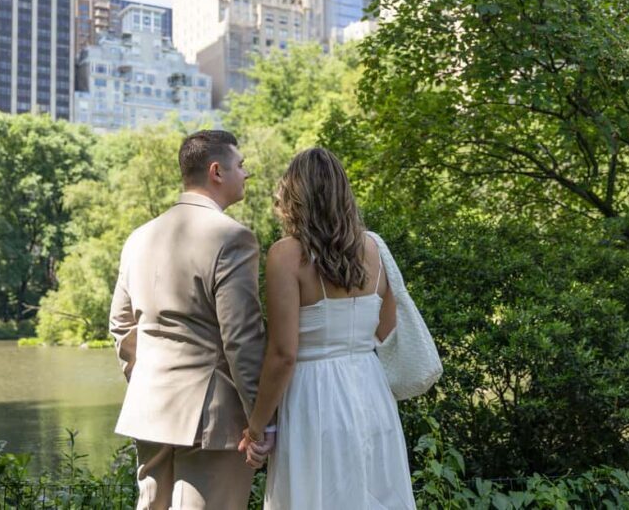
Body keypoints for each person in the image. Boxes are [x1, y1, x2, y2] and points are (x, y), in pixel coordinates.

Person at [239, 147, 417, 509]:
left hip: (313, 395)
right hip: (369, 389)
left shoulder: (286, 255)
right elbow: (387, 329)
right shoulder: (375, 249)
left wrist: (256, 426)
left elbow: (283, 354)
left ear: (294, 196)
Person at [109, 130, 272, 510]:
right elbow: (241, 338)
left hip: (149, 406)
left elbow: (120, 325)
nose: (246, 174)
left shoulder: (139, 237)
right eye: (241, 165)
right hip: (212, 415)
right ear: (217, 171)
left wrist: (145, 379)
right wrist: (259, 420)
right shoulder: (232, 238)